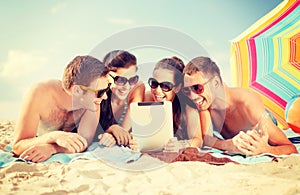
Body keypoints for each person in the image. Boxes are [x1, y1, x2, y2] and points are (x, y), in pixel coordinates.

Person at [181, 56, 297, 155]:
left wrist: (266, 149)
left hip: (261, 119)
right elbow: (207, 139)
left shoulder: (247, 104)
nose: (192, 96)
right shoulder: (204, 103)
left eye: (197, 88)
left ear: (215, 83)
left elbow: (291, 148)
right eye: (187, 90)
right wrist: (228, 145)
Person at [13, 55, 116, 162]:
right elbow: (18, 146)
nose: (105, 97)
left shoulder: (92, 104)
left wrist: (52, 148)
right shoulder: (40, 93)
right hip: (40, 137)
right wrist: (53, 137)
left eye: (106, 89)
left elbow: (84, 142)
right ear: (77, 91)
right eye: (100, 92)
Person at [130, 57, 204, 152]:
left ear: (178, 88)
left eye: (166, 86)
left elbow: (198, 141)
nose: (157, 91)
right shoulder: (147, 100)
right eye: (154, 83)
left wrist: (181, 145)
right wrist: (136, 143)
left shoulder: (187, 107)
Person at [97, 50, 145, 146]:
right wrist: (112, 130)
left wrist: (113, 133)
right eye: (120, 80)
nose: (127, 87)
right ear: (106, 75)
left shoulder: (137, 88)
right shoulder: (98, 93)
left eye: (132, 79)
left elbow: (123, 134)